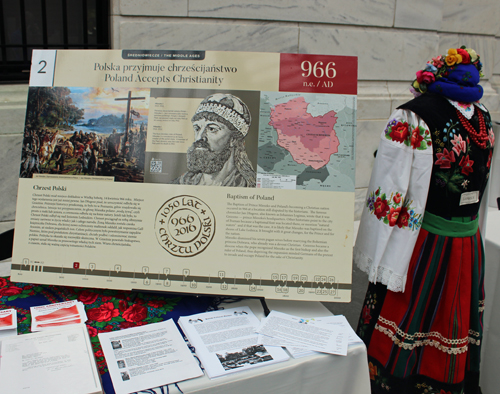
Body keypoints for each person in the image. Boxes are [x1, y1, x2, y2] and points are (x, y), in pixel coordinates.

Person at [354, 47, 494, 394]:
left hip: (425, 245)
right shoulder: (482, 116)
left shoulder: (413, 116)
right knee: (450, 321)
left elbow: (389, 191)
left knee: (415, 319)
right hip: (465, 241)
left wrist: (372, 252)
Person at [172, 93, 256, 187]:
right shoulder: (179, 184)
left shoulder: (249, 186)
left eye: (212, 129)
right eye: (197, 128)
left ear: (233, 139)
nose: (199, 137)